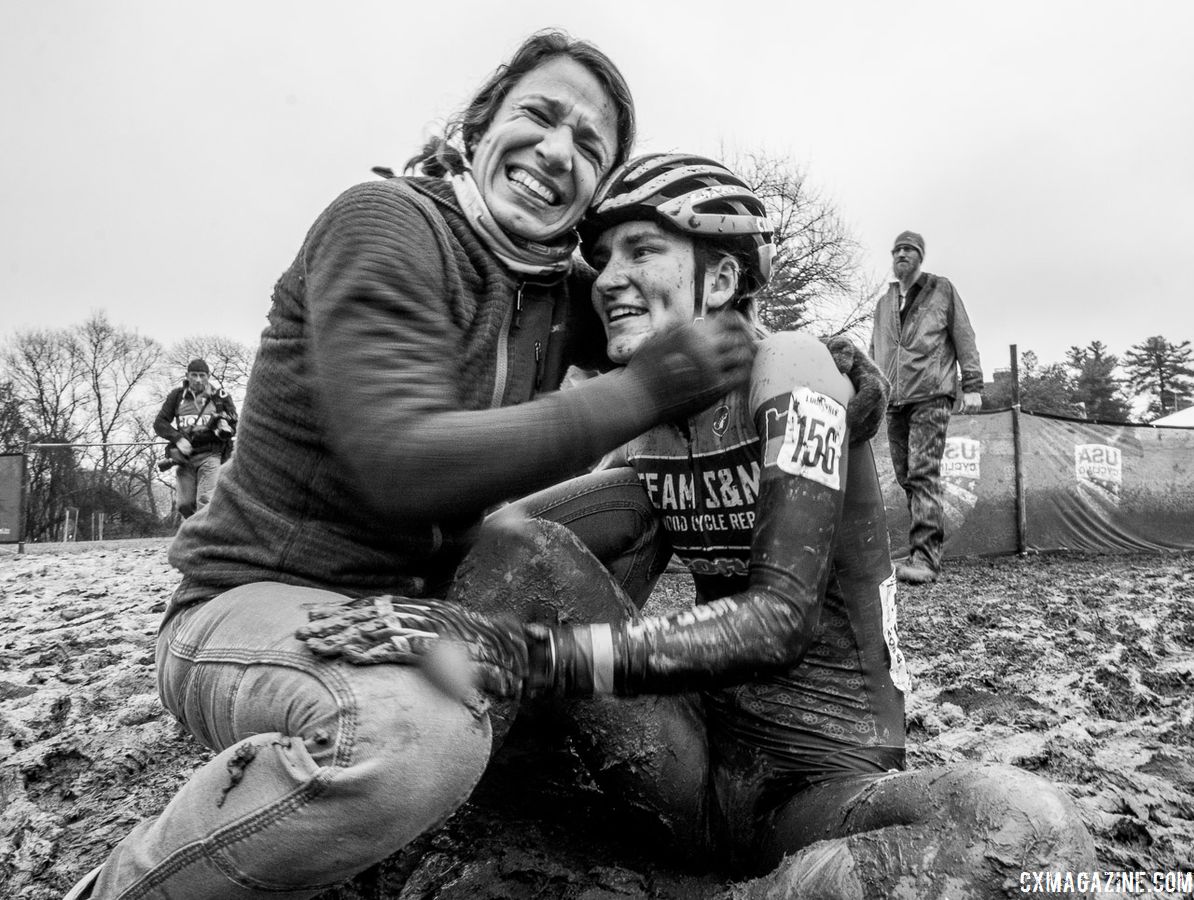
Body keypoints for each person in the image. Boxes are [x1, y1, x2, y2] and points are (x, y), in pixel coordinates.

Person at [63, 30, 769, 900]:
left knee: (639, 492)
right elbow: (399, 465)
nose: (559, 150)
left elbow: (663, 319)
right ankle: (114, 888)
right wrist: (641, 393)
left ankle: (531, 729)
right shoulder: (384, 223)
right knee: (410, 737)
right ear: (480, 125)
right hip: (255, 606)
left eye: (590, 147)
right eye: (540, 116)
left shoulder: (555, 288)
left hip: (415, 601)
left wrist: (802, 359)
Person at [302, 155, 1096, 899]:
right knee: (515, 551)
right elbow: (534, 561)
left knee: (1027, 827)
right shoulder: (647, 418)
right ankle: (386, 813)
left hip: (820, 795)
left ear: (720, 278)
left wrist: (526, 652)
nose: (609, 278)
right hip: (685, 769)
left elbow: (777, 623)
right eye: (603, 257)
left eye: (640, 251)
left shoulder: (792, 364)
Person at [870, 230, 984, 584]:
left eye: (910, 249)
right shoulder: (884, 302)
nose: (902, 254)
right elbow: (875, 351)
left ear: (921, 256)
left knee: (922, 474)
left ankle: (927, 557)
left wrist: (973, 384)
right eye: (897, 250)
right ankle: (919, 548)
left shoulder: (942, 290)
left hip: (932, 393)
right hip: (895, 399)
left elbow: (964, 335)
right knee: (906, 476)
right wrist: (870, 389)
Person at [152, 358, 237, 519]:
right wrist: (177, 438)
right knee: (184, 505)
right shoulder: (177, 396)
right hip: (185, 458)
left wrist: (223, 425)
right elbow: (159, 423)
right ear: (187, 375)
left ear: (208, 376)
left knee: (206, 500)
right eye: (194, 375)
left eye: (202, 375)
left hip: (212, 455)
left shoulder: (220, 396)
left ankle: (206, 539)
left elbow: (235, 422)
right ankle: (195, 532)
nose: (198, 379)